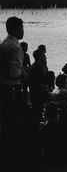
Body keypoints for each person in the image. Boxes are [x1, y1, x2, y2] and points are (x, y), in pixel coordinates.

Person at [0, 17, 29, 170]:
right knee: (16, 124)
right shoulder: (16, 47)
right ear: (18, 29)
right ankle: (15, 159)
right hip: (12, 88)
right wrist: (23, 73)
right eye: (22, 28)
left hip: (3, 88)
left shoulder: (4, 42)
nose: (23, 31)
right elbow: (13, 73)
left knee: (6, 123)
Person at [29, 47, 50, 122]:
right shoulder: (38, 68)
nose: (45, 57)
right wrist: (46, 92)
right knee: (38, 110)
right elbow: (40, 82)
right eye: (44, 55)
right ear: (40, 57)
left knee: (37, 110)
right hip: (38, 93)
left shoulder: (33, 66)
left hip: (34, 92)